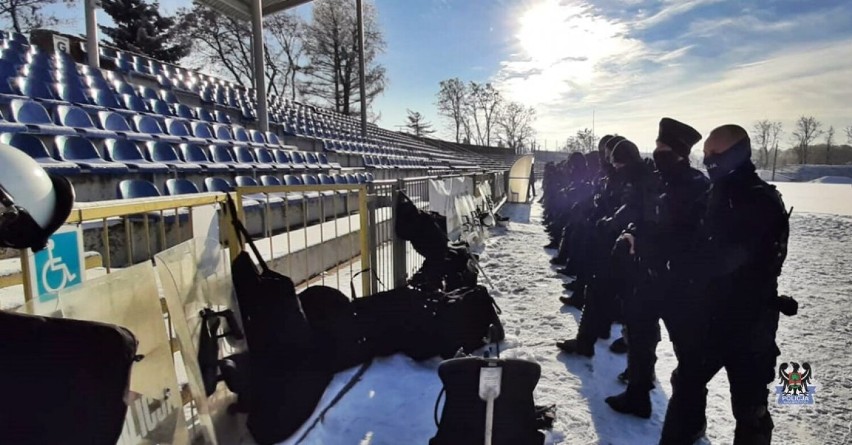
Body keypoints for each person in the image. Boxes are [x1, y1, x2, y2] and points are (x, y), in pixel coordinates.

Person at [659, 125, 790, 444]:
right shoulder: (711, 192)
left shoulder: (761, 200)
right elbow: (684, 235)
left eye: (716, 153)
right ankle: (687, 432)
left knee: (750, 409)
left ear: (738, 152)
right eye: (705, 154)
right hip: (708, 318)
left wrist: (686, 266)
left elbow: (729, 258)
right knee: (686, 384)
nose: (708, 160)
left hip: (749, 323)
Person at [604, 118, 708, 418]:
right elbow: (645, 218)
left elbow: (693, 238)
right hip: (648, 275)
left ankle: (691, 420)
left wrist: (649, 244)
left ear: (678, 150)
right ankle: (638, 395)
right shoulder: (656, 180)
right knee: (640, 337)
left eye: (662, 147)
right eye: (657, 145)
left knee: (688, 355)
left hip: (679, 282)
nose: (657, 151)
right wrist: (631, 233)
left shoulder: (697, 187)